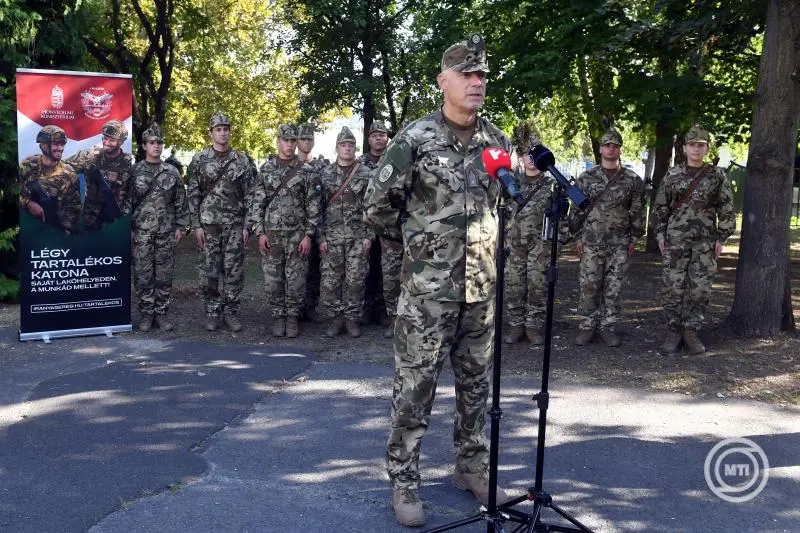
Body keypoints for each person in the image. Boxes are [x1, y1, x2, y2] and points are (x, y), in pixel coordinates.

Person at [364, 33, 512, 527]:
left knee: (476, 386)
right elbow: (377, 206)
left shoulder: (496, 140)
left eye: (482, 76)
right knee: (416, 388)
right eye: (467, 75)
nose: (477, 83)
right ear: (442, 82)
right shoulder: (415, 139)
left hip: (482, 290)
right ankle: (404, 482)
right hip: (428, 296)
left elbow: (498, 204)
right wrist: (419, 246)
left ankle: (471, 467)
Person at [653, 124, 735, 354]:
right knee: (673, 287)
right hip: (675, 242)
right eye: (692, 145)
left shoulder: (716, 176)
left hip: (705, 242)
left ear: (707, 148)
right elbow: (660, 208)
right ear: (685, 147)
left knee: (699, 289)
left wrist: (722, 237)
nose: (696, 150)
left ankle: (691, 331)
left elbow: (727, 208)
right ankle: (673, 331)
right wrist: (660, 234)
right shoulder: (673, 174)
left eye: (701, 145)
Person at [568, 128, 645, 347]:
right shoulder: (586, 178)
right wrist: (577, 238)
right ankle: (587, 326)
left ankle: (608, 327)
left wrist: (634, 239)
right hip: (591, 242)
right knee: (589, 285)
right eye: (607, 145)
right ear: (601, 149)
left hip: (619, 244)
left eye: (615, 146)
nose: (611, 149)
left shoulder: (632, 180)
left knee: (614, 287)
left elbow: (637, 211)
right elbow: (576, 211)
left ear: (620, 150)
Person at [247, 124, 320, 338]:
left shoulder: (306, 171)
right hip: (271, 235)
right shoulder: (266, 170)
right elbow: (257, 204)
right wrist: (260, 233)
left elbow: (313, 206)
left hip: (297, 236)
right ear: (278, 141)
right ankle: (279, 316)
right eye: (285, 140)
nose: (289, 144)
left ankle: (292, 317)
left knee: (296, 279)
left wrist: (308, 235)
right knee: (273, 280)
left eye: (292, 140)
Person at [187, 111, 253, 332]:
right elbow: (193, 194)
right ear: (210, 133)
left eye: (226, 129)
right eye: (218, 129)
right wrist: (195, 225)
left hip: (234, 225)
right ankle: (213, 311)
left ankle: (231, 312)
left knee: (234, 273)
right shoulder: (199, 160)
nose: (223, 133)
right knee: (209, 273)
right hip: (208, 226)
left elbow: (250, 195)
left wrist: (246, 226)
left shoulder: (242, 160)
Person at [131, 123, 189, 332]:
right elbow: (126, 203)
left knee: (164, 275)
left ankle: (162, 313)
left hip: (166, 232)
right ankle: (147, 314)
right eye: (152, 143)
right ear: (144, 145)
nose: (156, 146)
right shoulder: (135, 172)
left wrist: (180, 227)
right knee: (143, 275)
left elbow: (180, 202)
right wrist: (129, 230)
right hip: (142, 233)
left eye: (159, 142)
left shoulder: (171, 172)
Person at [504, 120, 554, 345]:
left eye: (535, 155)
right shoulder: (510, 184)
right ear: (521, 158)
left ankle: (533, 327)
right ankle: (515, 325)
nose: (531, 160)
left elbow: (559, 218)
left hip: (540, 245)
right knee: (515, 285)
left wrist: (557, 242)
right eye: (527, 155)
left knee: (537, 285)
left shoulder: (551, 185)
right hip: (514, 244)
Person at [319, 126, 372, 338]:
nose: (347, 148)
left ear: (355, 148)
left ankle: (352, 319)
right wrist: (320, 237)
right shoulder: (325, 175)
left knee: (355, 280)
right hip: (331, 238)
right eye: (343, 145)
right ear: (336, 148)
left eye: (350, 145)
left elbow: (372, 207)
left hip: (357, 238)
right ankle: (336, 318)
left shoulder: (366, 174)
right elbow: (317, 208)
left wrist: (369, 236)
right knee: (330, 281)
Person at [361, 122, 402, 337]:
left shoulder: (396, 159)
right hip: (370, 226)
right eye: (375, 135)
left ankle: (390, 314)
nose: (379, 138)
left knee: (391, 274)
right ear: (369, 139)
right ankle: (368, 308)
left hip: (391, 230)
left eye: (382, 135)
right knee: (369, 271)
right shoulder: (360, 163)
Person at [66, 119, 133, 232]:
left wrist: (125, 219)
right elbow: (61, 169)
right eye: (105, 138)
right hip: (90, 221)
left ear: (121, 142)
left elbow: (133, 195)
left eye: (112, 140)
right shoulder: (90, 156)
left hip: (115, 222)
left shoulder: (128, 163)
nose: (106, 143)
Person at [18, 125, 80, 231]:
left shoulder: (69, 174)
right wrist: (27, 203)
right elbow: (13, 191)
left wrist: (64, 231)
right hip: (28, 228)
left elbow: (74, 208)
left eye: (62, 144)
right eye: (56, 144)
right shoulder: (27, 166)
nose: (60, 148)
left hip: (56, 231)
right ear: (43, 145)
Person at [297, 122, 328, 323]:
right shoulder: (292, 166)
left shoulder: (322, 167)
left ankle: (311, 306)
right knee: (296, 269)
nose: (307, 142)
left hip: (319, 225)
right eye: (303, 139)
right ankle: (295, 307)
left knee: (315, 268)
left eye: (310, 139)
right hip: (297, 225)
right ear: (297, 141)